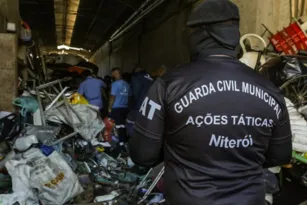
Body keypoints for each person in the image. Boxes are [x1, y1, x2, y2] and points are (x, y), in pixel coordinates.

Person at [129, 1, 292, 205]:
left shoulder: (169, 85)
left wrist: (179, 149)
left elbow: (142, 154)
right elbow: (281, 155)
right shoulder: (271, 91)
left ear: (201, 33)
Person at [126, 66, 154, 137]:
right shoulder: (151, 78)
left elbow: (135, 92)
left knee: (130, 122)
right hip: (150, 106)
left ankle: (133, 140)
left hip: (138, 105)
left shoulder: (136, 77)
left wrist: (130, 105)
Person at [108, 68, 131, 146]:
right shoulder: (127, 84)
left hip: (116, 108)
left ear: (116, 73)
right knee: (123, 125)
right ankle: (124, 141)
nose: (112, 75)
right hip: (125, 108)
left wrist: (109, 108)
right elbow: (129, 96)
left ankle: (120, 143)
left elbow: (112, 97)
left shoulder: (115, 84)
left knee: (117, 126)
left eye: (113, 73)